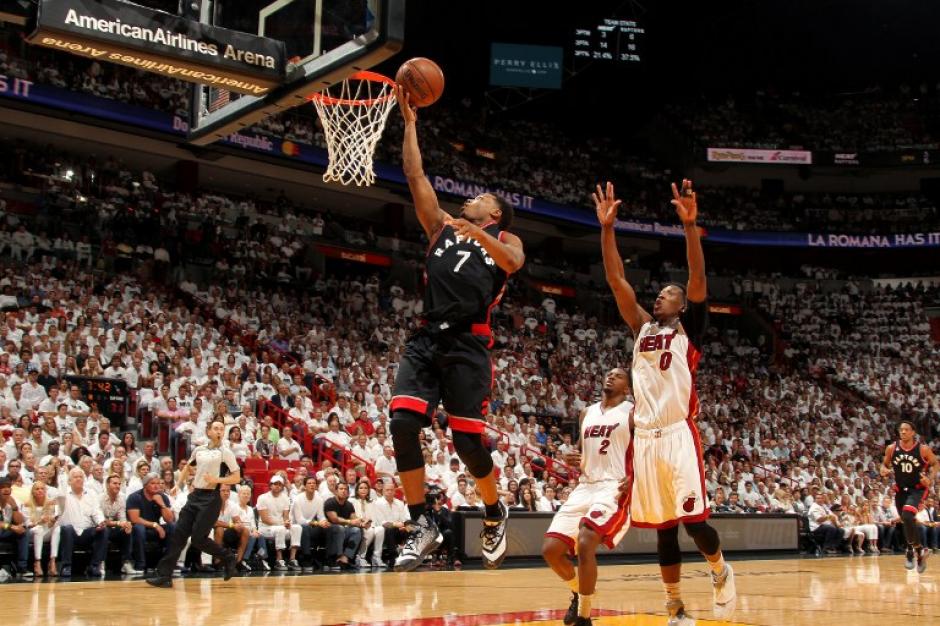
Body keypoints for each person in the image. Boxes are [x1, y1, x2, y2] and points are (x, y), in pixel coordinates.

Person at [388, 85, 525, 572]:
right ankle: (422, 522)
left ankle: (493, 512)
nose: (472, 198)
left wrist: (481, 235)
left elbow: (513, 261)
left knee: (468, 444)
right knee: (402, 423)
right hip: (427, 337)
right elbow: (414, 173)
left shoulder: (504, 239)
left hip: (469, 344)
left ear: (493, 215)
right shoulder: (441, 227)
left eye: (482, 198)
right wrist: (409, 123)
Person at [597, 180, 735, 625]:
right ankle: (674, 605)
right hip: (647, 439)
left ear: (681, 305)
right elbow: (617, 279)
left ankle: (719, 570)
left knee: (694, 523)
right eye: (659, 292)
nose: (660, 295)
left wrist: (690, 226)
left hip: (678, 433)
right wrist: (607, 229)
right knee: (663, 530)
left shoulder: (688, 329)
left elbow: (697, 278)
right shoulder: (640, 327)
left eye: (668, 293)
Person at [542, 368, 633, 626]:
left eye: (618, 376)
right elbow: (583, 453)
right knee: (551, 551)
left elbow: (648, 448)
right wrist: (573, 456)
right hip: (585, 485)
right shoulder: (587, 412)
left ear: (627, 388)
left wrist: (636, 476)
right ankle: (578, 592)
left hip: (613, 487)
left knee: (585, 541)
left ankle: (584, 616)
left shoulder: (633, 413)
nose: (610, 377)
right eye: (609, 374)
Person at [146, 420, 241, 587]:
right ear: (209, 431)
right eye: (216, 428)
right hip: (195, 495)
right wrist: (177, 484)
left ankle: (228, 557)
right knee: (178, 535)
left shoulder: (225, 453)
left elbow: (236, 477)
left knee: (198, 539)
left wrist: (216, 479)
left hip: (211, 498)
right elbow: (187, 468)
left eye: (221, 429)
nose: (219, 431)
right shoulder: (200, 449)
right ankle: (165, 575)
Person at [879, 420, 938, 573]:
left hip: (917, 489)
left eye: (906, 430)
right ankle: (918, 550)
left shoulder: (923, 449)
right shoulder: (892, 448)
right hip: (900, 489)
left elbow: (935, 463)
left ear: (913, 432)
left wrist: (930, 479)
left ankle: (912, 550)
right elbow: (884, 465)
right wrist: (883, 470)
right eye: (901, 430)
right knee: (906, 521)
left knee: (906, 515)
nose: (903, 432)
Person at [57, 467, 108, 578]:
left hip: (87, 531)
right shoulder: (63, 495)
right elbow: (58, 507)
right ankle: (66, 566)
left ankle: (95, 565)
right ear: (69, 481)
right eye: (75, 477)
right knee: (67, 529)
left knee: (103, 530)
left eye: (81, 477)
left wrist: (100, 522)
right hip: (70, 532)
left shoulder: (91, 493)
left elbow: (96, 510)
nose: (78, 479)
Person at [127, 472, 176, 572]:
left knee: (173, 527)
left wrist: (162, 504)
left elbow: (170, 519)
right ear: (145, 485)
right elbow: (134, 519)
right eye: (153, 483)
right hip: (140, 529)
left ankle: (168, 563)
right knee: (138, 528)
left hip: (156, 529)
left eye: (158, 483)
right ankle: (140, 564)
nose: (156, 486)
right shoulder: (135, 497)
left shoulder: (162, 497)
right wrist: (154, 525)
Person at [257, 474, 301, 570]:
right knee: (280, 529)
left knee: (297, 528)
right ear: (270, 485)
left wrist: (287, 522)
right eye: (275, 484)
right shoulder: (262, 498)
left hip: (280, 526)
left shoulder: (285, 498)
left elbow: (285, 516)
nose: (277, 486)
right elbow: (265, 519)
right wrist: (282, 524)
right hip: (265, 528)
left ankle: (292, 559)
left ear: (282, 486)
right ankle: (279, 560)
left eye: (280, 484)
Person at [99, 474, 137, 575]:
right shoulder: (100, 499)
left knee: (127, 530)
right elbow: (101, 521)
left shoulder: (121, 499)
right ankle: (100, 562)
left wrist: (126, 525)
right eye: (114, 483)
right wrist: (119, 523)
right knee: (104, 530)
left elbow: (122, 518)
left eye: (119, 484)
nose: (117, 486)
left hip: (113, 528)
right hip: (99, 528)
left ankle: (126, 563)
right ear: (107, 485)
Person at [323, 481, 364, 570]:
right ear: (336, 491)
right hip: (328, 529)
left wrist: (362, 522)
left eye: (345, 489)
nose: (343, 491)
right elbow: (334, 519)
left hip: (342, 530)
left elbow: (354, 518)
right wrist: (350, 522)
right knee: (340, 528)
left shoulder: (349, 504)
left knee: (356, 530)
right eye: (341, 489)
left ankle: (345, 558)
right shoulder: (330, 502)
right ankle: (335, 557)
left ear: (348, 493)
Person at [25, 480, 60, 578]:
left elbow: (50, 525)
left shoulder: (50, 504)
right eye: (37, 489)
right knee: (39, 529)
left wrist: (52, 520)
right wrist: (39, 521)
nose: (40, 491)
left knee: (57, 528)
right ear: (33, 492)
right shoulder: (27, 504)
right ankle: (37, 562)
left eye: (42, 489)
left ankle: (52, 561)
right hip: (32, 533)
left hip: (45, 532)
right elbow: (27, 524)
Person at [0, 476, 29, 576]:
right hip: (2, 530)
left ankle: (22, 569)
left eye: (8, 487)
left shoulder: (12, 502)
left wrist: (15, 507)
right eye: (2, 487)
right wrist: (12, 527)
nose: (6, 489)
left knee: (24, 531)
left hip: (5, 532)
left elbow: (19, 521)